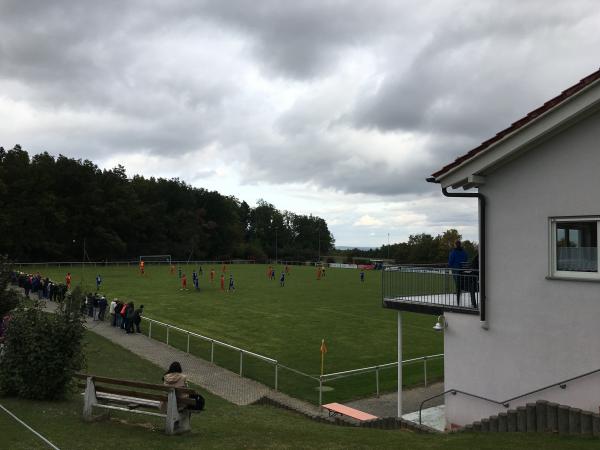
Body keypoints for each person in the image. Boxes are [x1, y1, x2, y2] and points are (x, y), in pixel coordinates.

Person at [448, 240, 469, 305]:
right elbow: (466, 259)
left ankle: (458, 292)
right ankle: (459, 291)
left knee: (457, 281)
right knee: (460, 280)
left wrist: (449, 266)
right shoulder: (464, 252)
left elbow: (450, 261)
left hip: (455, 269)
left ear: (455, 245)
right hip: (462, 269)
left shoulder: (453, 252)